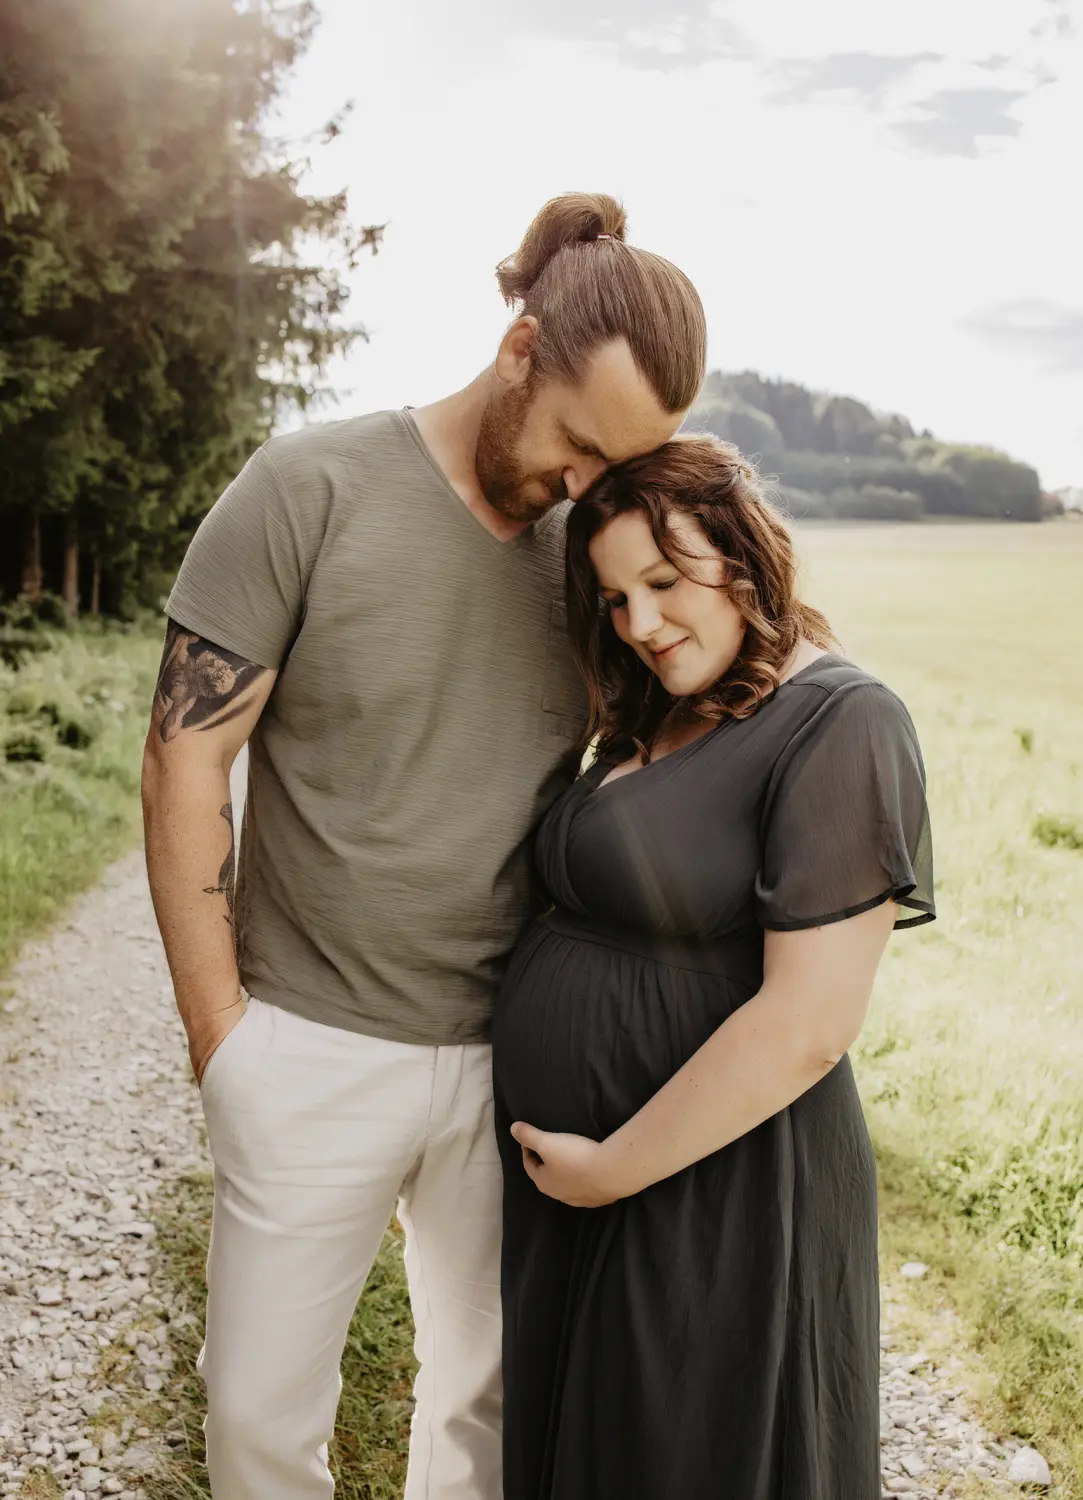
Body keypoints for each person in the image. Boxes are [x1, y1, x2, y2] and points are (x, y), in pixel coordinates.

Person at [139, 192, 706, 1500]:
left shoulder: (591, 562)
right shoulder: (309, 486)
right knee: (256, 1419)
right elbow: (185, 757)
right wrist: (220, 1034)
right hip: (304, 1042)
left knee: (489, 1419)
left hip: (511, 1053)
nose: (583, 490)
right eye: (575, 448)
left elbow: (709, 692)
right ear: (518, 351)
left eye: (609, 472)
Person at [492, 435, 935, 1500]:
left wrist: (614, 1170)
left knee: (680, 1455)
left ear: (742, 553)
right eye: (614, 598)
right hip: (595, 1183)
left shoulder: (843, 722)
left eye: (661, 581)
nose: (639, 624)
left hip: (712, 1187)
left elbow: (808, 1024)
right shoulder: (663, 707)